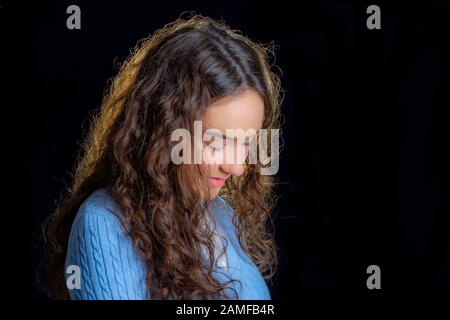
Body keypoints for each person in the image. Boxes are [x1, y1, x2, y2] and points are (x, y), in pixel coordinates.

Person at [44, 13, 283, 300]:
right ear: (164, 131)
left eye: (246, 143)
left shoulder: (219, 214)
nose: (236, 167)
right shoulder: (103, 225)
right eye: (217, 142)